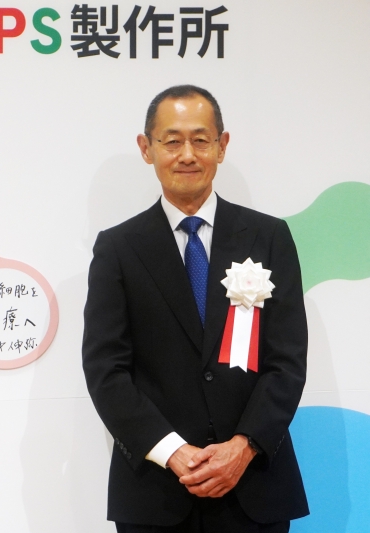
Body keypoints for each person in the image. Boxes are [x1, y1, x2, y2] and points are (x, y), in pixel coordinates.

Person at [82, 86, 308, 532]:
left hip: (253, 486)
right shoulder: (118, 248)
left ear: (222, 146)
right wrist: (172, 451)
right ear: (146, 148)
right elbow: (106, 370)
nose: (187, 154)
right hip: (156, 492)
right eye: (172, 141)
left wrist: (243, 446)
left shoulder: (269, 237)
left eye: (201, 140)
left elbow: (287, 361)